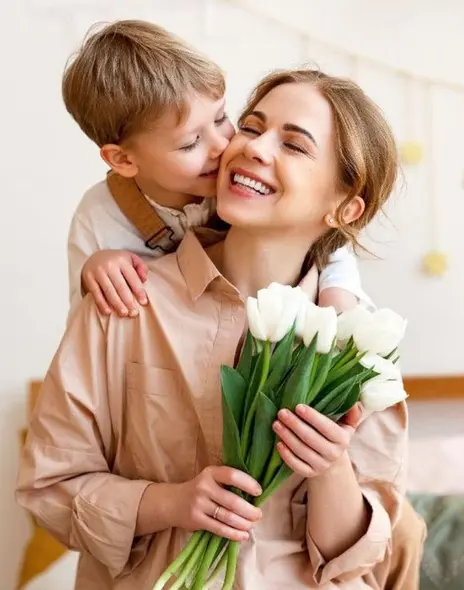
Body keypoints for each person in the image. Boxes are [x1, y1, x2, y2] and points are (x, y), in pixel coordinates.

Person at [17, 68, 425, 589]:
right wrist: (168, 503)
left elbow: (361, 558)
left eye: (294, 145)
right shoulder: (122, 302)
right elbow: (50, 489)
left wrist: (330, 468)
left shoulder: (360, 347)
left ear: (345, 207)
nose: (253, 147)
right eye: (251, 127)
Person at [62, 20, 369, 320]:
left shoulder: (236, 180)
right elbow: (85, 329)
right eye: (190, 143)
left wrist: (338, 288)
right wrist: (94, 269)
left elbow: (323, 237)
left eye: (221, 118)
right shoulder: (99, 216)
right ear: (124, 160)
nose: (221, 145)